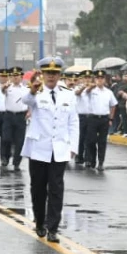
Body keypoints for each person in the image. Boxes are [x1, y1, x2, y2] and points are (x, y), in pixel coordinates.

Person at [21, 58, 80, 242]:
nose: (51, 77)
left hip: (59, 148)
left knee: (56, 188)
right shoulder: (35, 91)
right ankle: (40, 221)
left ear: (59, 75)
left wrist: (73, 146)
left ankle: (53, 227)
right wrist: (32, 90)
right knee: (38, 188)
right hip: (39, 148)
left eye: (55, 73)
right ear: (43, 74)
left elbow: (73, 121)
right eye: (48, 73)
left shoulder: (68, 94)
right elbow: (26, 101)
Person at [82, 69, 118, 171]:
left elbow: (113, 105)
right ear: (95, 79)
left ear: (105, 79)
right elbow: (86, 92)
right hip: (92, 118)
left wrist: (111, 118)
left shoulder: (108, 92)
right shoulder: (91, 90)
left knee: (102, 142)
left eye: (102, 78)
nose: (100, 80)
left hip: (104, 119)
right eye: (98, 78)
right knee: (91, 141)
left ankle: (101, 162)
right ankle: (91, 159)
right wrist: (92, 86)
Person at [1, 66, 30, 170]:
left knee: (20, 141)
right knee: (6, 138)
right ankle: (5, 157)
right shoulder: (8, 87)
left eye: (17, 75)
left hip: (20, 116)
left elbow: (29, 102)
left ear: (21, 77)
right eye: (13, 76)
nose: (15, 78)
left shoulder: (26, 89)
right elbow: (2, 90)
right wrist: (5, 86)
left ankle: (16, 162)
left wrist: (29, 111)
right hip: (9, 115)